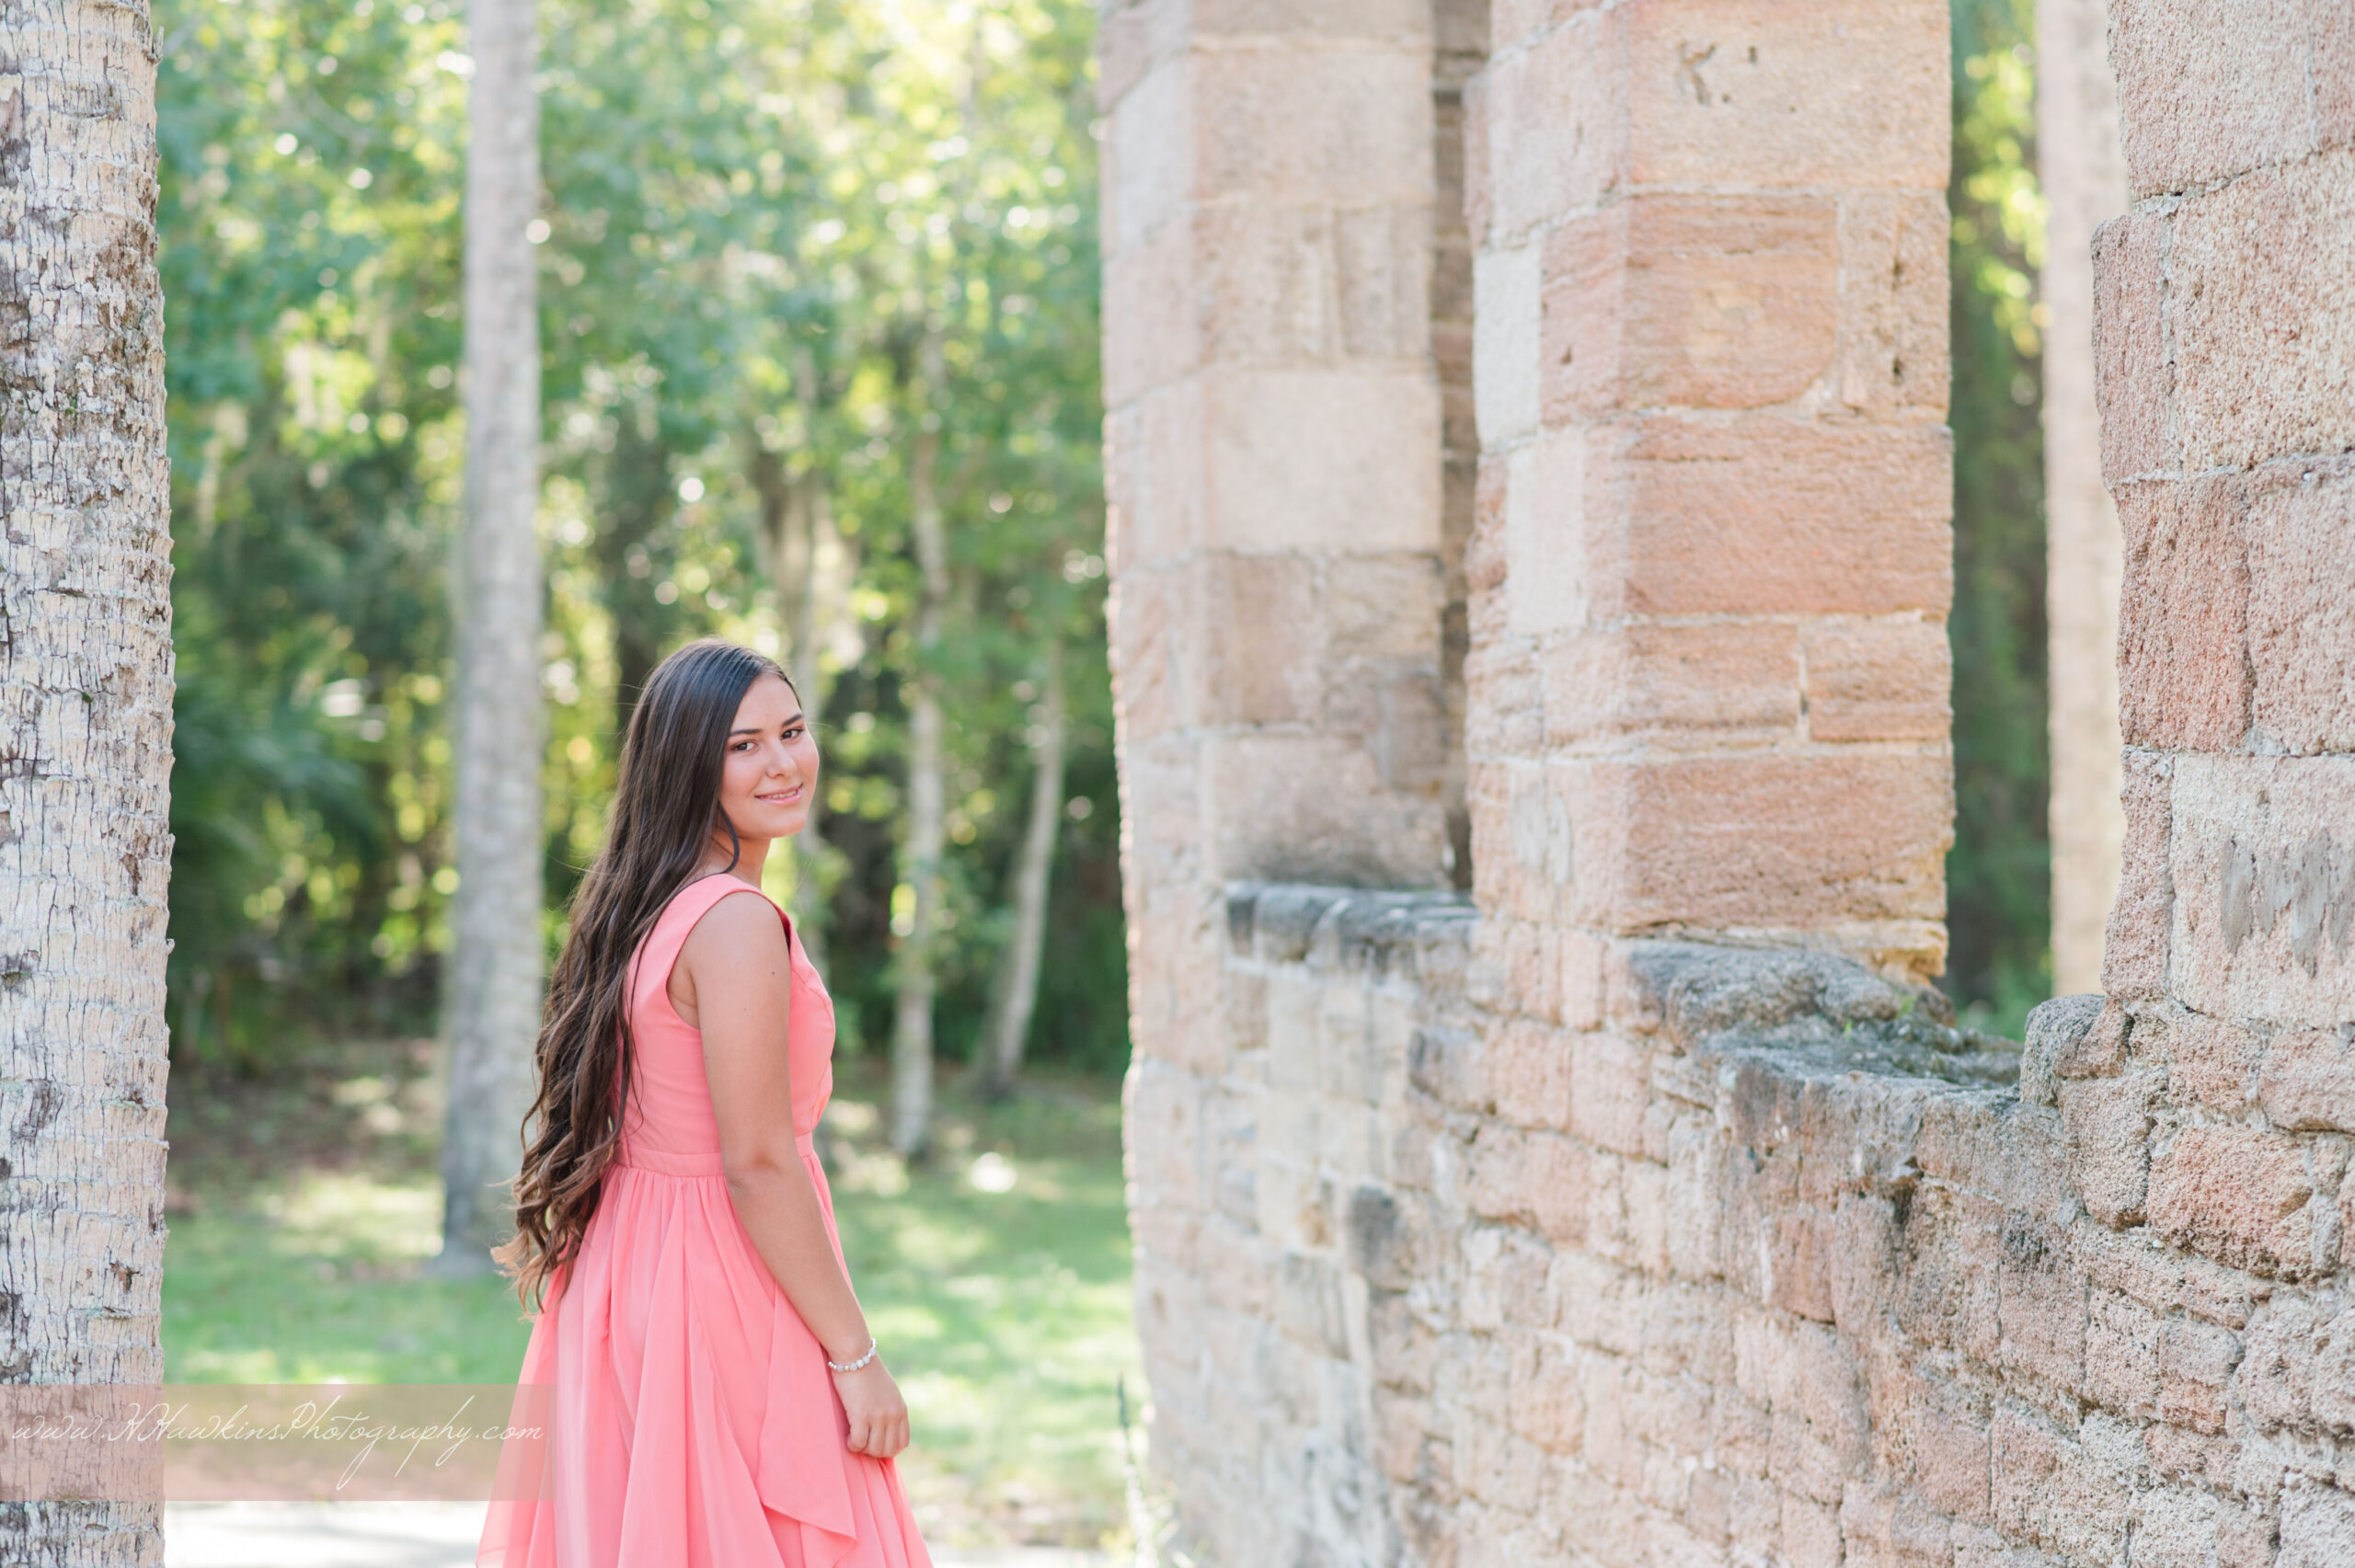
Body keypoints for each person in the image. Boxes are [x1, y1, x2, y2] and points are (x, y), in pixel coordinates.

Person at [478, 638, 930, 1568]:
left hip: (628, 1274)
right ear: (688, 764)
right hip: (716, 1283)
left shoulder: (646, 904)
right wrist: (856, 1356)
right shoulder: (729, 921)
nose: (782, 762)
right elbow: (758, 1161)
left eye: (793, 732)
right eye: (743, 745)